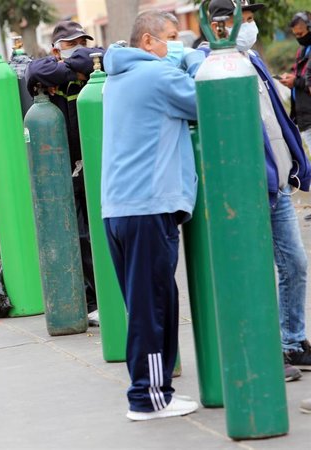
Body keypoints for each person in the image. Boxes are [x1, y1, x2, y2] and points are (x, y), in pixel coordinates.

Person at [102, 10, 204, 421]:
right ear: (147, 42)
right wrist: (197, 58)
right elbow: (208, 98)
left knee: (149, 303)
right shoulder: (158, 77)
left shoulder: (118, 78)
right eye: (171, 37)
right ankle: (148, 396)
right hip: (149, 207)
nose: (174, 44)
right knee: (155, 305)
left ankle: (151, 391)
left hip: (120, 209)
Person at [207, 0, 311, 382]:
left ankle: (292, 340)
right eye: (245, 20)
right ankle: (267, 350)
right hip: (247, 186)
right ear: (219, 26)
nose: (250, 26)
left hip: (278, 183)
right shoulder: (211, 64)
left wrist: (297, 163)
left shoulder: (251, 58)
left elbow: (276, 119)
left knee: (295, 265)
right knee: (254, 272)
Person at [26, 20, 103, 327]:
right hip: (65, 171)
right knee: (80, 236)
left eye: (83, 41)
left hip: (96, 162)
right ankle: (91, 301)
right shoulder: (52, 68)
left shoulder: (94, 66)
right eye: (72, 43)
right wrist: (74, 67)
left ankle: (105, 295)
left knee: (100, 231)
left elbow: (100, 57)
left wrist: (76, 63)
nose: (81, 48)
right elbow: (36, 72)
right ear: (57, 49)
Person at [280, 11, 311, 150]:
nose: (299, 38)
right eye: (296, 35)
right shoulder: (302, 50)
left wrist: (296, 82)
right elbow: (300, 75)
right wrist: (290, 78)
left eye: (301, 34)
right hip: (304, 116)